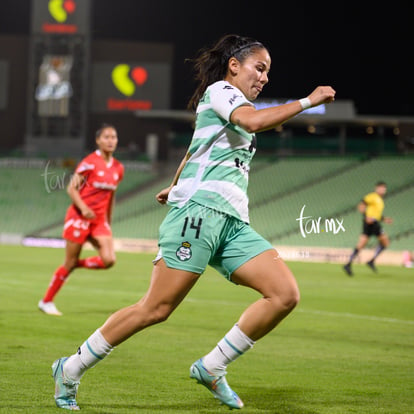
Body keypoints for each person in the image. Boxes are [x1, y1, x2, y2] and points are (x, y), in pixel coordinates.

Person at [51, 34, 335, 410]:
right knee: (155, 309)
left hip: (233, 221)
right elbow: (250, 123)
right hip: (199, 216)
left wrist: (174, 184)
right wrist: (308, 101)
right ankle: (70, 368)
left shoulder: (231, 104)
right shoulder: (222, 91)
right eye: (259, 68)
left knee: (284, 295)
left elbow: (196, 147)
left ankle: (212, 366)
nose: (264, 77)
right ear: (234, 66)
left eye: (268, 72)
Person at [38, 124, 124, 316]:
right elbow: (71, 188)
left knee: (109, 260)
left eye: (114, 137)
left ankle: (75, 264)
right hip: (79, 217)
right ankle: (46, 301)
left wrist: (108, 221)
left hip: (99, 221)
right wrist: (84, 208)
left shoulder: (118, 168)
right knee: (68, 262)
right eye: (107, 137)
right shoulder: (90, 162)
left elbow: (111, 196)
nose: (111, 140)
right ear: (98, 140)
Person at [343, 181, 392, 276]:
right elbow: (361, 205)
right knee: (384, 242)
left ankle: (349, 264)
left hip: (374, 222)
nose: (383, 190)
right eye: (381, 188)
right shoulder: (372, 197)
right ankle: (369, 261)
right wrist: (366, 216)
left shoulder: (380, 200)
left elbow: (376, 214)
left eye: (384, 188)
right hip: (370, 223)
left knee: (363, 243)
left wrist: (384, 219)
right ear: (376, 188)